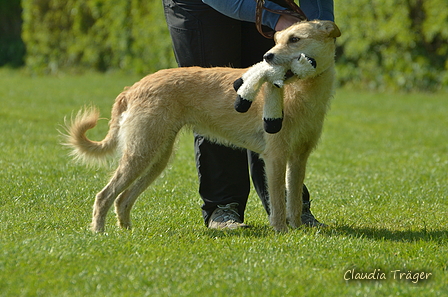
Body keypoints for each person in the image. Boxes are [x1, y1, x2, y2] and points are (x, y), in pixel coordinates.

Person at [163, 0, 334, 229]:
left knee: (274, 91)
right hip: (202, 7)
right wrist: (272, 17)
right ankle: (224, 207)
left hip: (270, 4)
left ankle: (291, 210)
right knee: (217, 103)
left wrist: (319, 26)